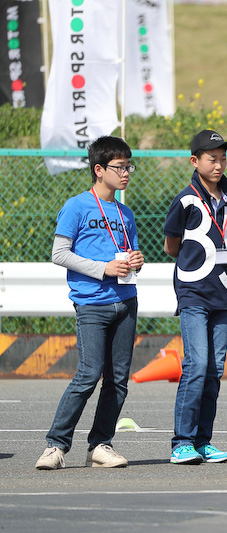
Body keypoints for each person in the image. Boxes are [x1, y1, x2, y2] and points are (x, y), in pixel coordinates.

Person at [35, 136, 144, 470]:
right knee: (87, 374)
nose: (126, 172)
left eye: (129, 166)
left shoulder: (125, 213)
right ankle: (55, 445)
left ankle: (100, 444)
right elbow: (59, 254)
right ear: (99, 170)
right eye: (119, 167)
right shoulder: (77, 206)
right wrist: (102, 269)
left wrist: (136, 261)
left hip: (125, 301)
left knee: (118, 380)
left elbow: (126, 252)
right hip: (92, 304)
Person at [163, 129, 227, 465]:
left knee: (214, 368)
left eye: (223, 158)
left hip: (224, 290)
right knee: (196, 364)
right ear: (195, 161)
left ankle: (203, 441)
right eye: (212, 158)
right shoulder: (185, 200)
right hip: (193, 289)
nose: (219, 164)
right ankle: (181, 442)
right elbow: (171, 246)